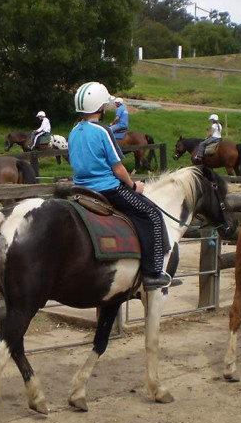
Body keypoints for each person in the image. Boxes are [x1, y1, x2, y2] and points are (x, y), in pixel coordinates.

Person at [69, 82, 170, 290]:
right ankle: (152, 273)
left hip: (80, 189)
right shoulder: (103, 131)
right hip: (108, 188)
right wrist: (134, 186)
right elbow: (118, 169)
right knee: (151, 214)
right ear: (100, 107)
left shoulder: (73, 131)